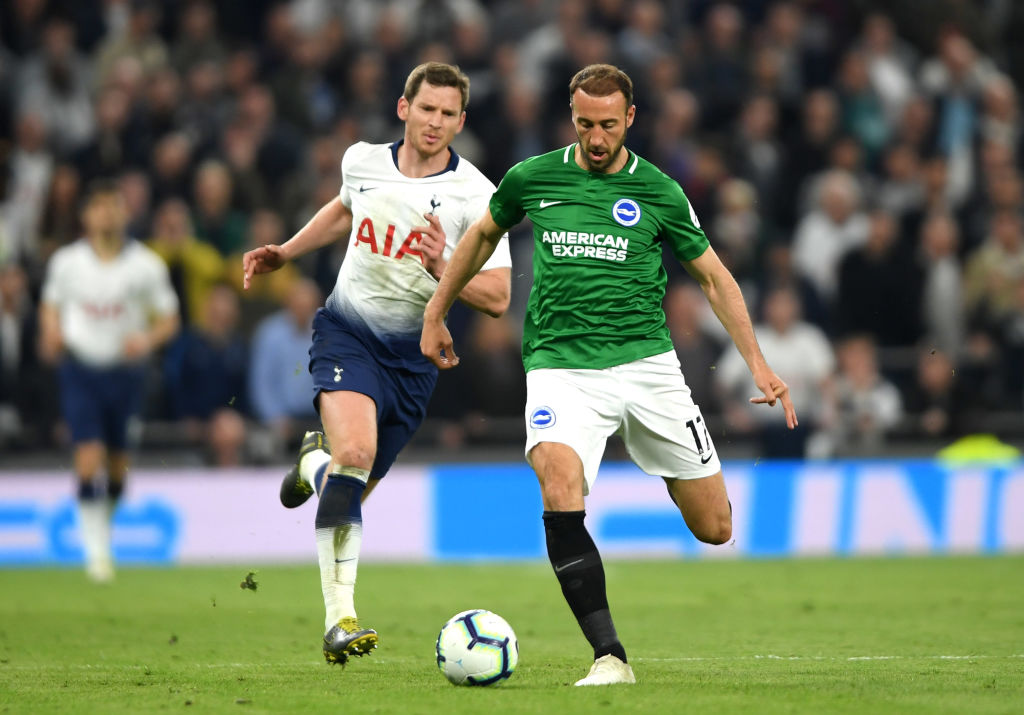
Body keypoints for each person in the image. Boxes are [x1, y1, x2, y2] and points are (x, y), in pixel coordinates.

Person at [421, 64, 797, 687]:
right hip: (560, 369)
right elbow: (482, 235)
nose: (596, 138)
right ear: (573, 119)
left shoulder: (660, 191)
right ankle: (609, 656)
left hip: (647, 367)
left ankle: (664, 466)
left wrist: (757, 362)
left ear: (630, 120)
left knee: (715, 527)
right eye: (585, 124)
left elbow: (713, 278)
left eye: (608, 125)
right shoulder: (533, 177)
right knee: (558, 483)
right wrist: (437, 310)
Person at [242, 62, 511, 665]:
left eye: (448, 114)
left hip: (414, 361)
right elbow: (344, 209)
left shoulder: (477, 196)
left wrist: (447, 267)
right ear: (403, 108)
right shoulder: (361, 160)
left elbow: (497, 297)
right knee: (357, 456)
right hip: (348, 334)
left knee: (349, 483)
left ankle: (314, 466)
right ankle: (340, 620)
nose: (436, 122)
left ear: (461, 121)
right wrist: (286, 251)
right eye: (427, 109)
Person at [38, 180, 180, 581]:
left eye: (112, 206)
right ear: (86, 216)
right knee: (88, 456)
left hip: (125, 372)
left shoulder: (146, 265)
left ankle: (105, 525)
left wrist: (147, 339)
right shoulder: (67, 263)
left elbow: (170, 319)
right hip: (81, 368)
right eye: (97, 206)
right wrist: (51, 332)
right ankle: (95, 550)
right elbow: (50, 307)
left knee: (118, 466)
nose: (106, 214)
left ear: (125, 213)